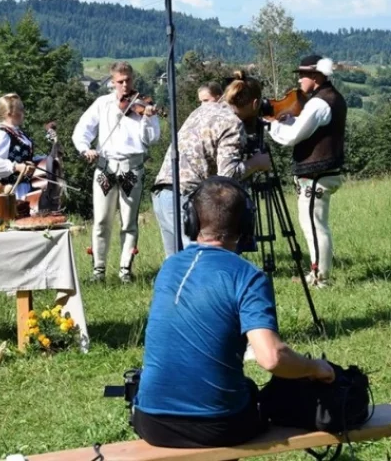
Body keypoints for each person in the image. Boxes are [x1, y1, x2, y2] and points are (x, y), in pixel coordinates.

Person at [132, 176, 336, 448]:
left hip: (150, 422)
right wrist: (316, 368)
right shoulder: (249, 277)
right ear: (246, 225)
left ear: (192, 221)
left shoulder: (169, 268)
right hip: (217, 425)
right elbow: (272, 358)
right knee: (254, 396)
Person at [151, 71, 272, 257]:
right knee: (201, 260)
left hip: (163, 192)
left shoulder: (204, 109)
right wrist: (256, 163)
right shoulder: (232, 123)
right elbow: (227, 176)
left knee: (177, 265)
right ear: (255, 104)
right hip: (186, 197)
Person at [72, 61, 161, 284]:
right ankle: (98, 270)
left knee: (129, 221)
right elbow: (82, 130)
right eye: (119, 81)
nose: (124, 85)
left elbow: (152, 139)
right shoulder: (102, 103)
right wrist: (86, 148)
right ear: (112, 82)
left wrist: (148, 118)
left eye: (128, 80)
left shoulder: (143, 105)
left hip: (132, 167)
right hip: (106, 167)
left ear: (133, 80)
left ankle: (125, 271)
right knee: (101, 220)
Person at [266, 55, 347, 288]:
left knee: (314, 226)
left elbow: (293, 136)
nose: (299, 79)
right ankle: (316, 273)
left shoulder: (319, 103)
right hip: (324, 171)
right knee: (313, 224)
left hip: (317, 174)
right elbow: (307, 128)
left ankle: (321, 278)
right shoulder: (332, 98)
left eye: (303, 74)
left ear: (316, 76)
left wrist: (273, 122)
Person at [0, 93, 38, 201]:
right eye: (21, 109)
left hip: (27, 187)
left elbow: (26, 158)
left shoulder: (19, 133)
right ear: (10, 113)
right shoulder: (2, 135)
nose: (24, 113)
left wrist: (48, 160)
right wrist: (16, 167)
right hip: (11, 190)